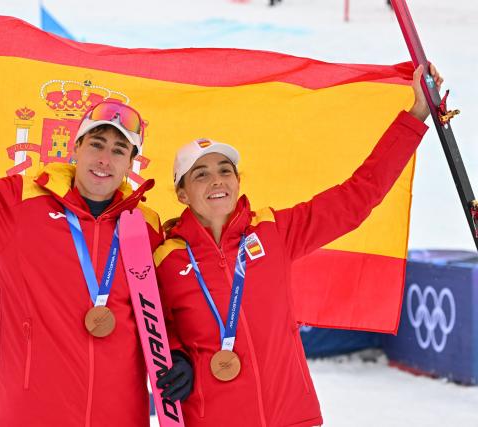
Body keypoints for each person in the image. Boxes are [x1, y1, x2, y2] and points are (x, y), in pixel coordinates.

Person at [0, 24, 192, 426]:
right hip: (31, 415)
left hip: (121, 416)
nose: (105, 159)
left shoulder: (143, 227)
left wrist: (178, 352)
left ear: (131, 163)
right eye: (96, 143)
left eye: (119, 150)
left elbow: (164, 313)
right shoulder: (18, 205)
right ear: (75, 147)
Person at [154, 64, 442, 426]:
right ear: (182, 192)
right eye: (201, 174)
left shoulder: (274, 231)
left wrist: (415, 116)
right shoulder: (166, 257)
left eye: (225, 170)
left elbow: (357, 197)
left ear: (238, 181)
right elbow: (155, 326)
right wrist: (177, 355)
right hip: (213, 417)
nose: (217, 181)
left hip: (291, 415)